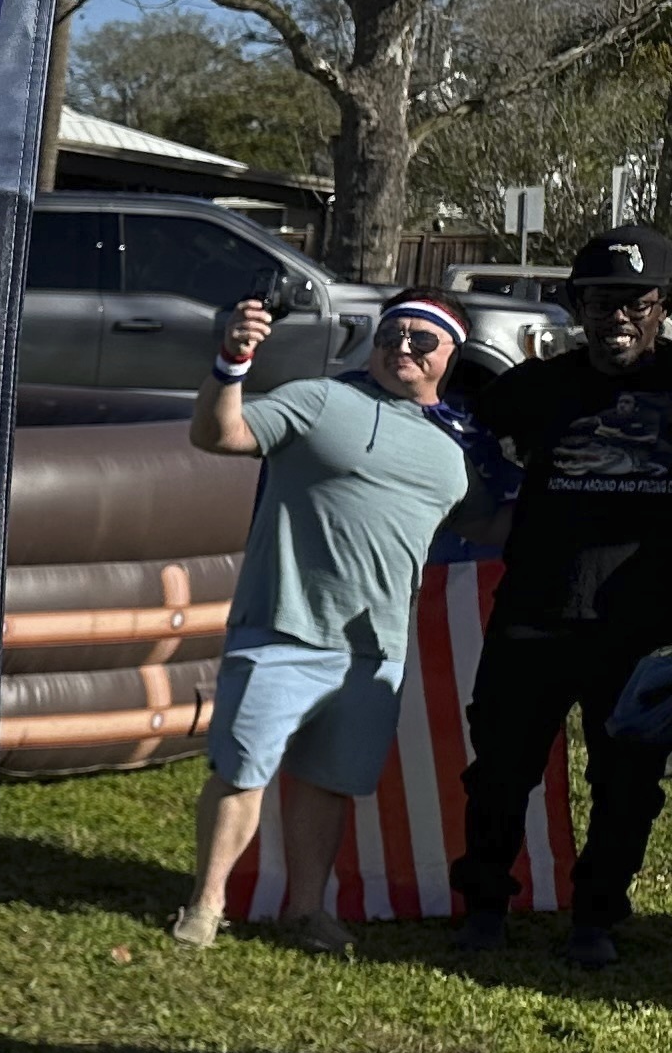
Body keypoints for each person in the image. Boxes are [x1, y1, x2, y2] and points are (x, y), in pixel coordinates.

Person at [173, 291, 476, 955]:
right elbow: (217, 434)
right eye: (392, 334)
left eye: (423, 341)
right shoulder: (318, 401)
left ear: (451, 356)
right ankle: (205, 906)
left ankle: (305, 910)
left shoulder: (455, 454)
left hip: (375, 654)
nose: (402, 347)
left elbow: (479, 530)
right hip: (283, 626)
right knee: (242, 772)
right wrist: (232, 360)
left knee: (328, 784)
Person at [447, 225, 672, 965]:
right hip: (535, 613)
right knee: (501, 770)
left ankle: (597, 917)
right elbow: (454, 444)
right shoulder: (533, 389)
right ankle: (484, 904)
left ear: (661, 307)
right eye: (601, 302)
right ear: (578, 307)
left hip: (640, 629)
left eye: (635, 303)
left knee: (628, 781)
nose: (618, 319)